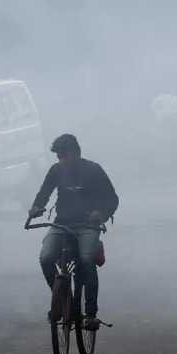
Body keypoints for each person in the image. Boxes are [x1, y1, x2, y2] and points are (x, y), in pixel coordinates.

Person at [29, 133, 119, 330]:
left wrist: (101, 214)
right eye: (59, 156)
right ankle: (62, 299)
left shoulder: (94, 170)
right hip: (61, 224)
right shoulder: (56, 170)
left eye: (63, 155)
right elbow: (44, 193)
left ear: (75, 153)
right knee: (46, 258)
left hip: (88, 226)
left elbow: (112, 199)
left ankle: (90, 314)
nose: (61, 160)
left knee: (87, 261)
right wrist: (36, 207)